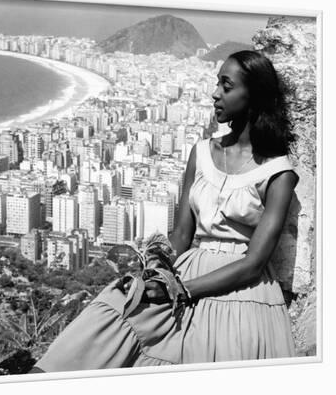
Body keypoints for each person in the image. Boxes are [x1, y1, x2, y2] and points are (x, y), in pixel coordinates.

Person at [29, 50, 299, 373]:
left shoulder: (278, 172)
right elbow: (182, 234)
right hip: (187, 268)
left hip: (242, 288)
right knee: (116, 308)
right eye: (217, 84)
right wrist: (153, 272)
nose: (215, 93)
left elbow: (254, 263)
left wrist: (184, 290)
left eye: (226, 86)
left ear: (253, 96)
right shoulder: (201, 153)